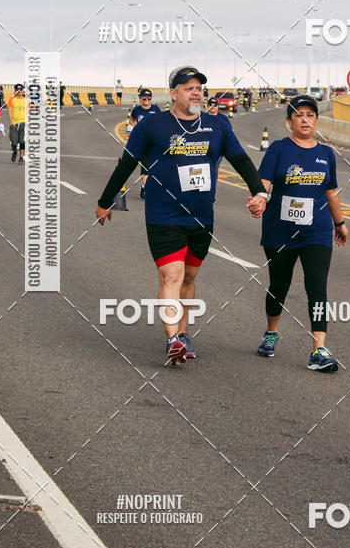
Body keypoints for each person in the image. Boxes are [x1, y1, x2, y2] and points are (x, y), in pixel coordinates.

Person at [96, 65, 267, 364]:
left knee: (189, 277)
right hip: (164, 215)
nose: (196, 91)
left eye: (199, 87)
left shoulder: (218, 126)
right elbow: (126, 163)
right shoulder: (152, 126)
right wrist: (106, 199)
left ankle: (183, 334)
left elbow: (240, 159)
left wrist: (260, 193)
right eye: (188, 87)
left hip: (201, 215)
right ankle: (172, 338)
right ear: (173, 93)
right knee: (170, 275)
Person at [256, 95, 348, 372]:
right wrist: (260, 198)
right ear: (289, 121)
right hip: (280, 230)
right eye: (299, 115)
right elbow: (264, 182)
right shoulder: (278, 150)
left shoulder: (326, 154)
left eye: (310, 114)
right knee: (279, 285)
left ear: (316, 120)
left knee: (317, 286)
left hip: (316, 231)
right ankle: (271, 333)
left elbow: (330, 191)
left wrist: (339, 223)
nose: (305, 119)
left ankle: (319, 349)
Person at [129, 88, 160, 199]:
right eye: (144, 97)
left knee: (155, 167)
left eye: (149, 97)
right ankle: (145, 191)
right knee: (145, 168)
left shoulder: (156, 109)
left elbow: (161, 122)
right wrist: (135, 127)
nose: (146, 99)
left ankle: (148, 187)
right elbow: (131, 120)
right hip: (142, 143)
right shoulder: (137, 110)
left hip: (155, 143)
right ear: (140, 98)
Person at [7, 83, 26, 164]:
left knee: (22, 141)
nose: (19, 91)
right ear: (15, 90)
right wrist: (11, 121)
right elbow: (10, 111)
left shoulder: (26, 99)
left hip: (23, 122)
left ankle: (21, 158)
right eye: (18, 90)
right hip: (14, 123)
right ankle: (14, 151)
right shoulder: (12, 99)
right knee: (14, 142)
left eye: (21, 89)